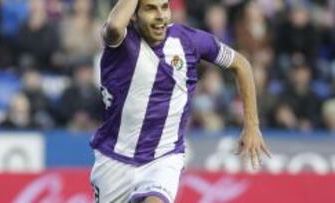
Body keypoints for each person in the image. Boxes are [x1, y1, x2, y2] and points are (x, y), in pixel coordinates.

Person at [89, 0, 271, 202]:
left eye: (164, 7)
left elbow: (242, 65)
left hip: (163, 158)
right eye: (150, 9)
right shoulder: (120, 43)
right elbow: (114, 25)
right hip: (114, 161)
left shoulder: (190, 40)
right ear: (133, 15)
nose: (160, 16)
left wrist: (252, 125)